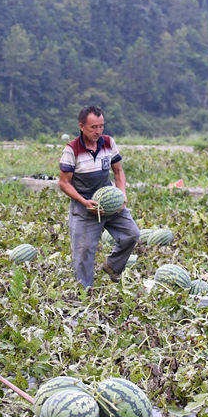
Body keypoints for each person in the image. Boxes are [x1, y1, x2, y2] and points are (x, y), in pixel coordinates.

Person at [58, 106, 139, 287]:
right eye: (93, 127)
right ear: (81, 126)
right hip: (85, 207)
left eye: (101, 126)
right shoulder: (71, 150)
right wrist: (84, 201)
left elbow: (118, 171)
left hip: (110, 203)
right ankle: (85, 293)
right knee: (84, 252)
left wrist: (122, 195)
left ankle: (112, 266)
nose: (98, 131)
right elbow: (64, 183)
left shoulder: (108, 143)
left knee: (131, 234)